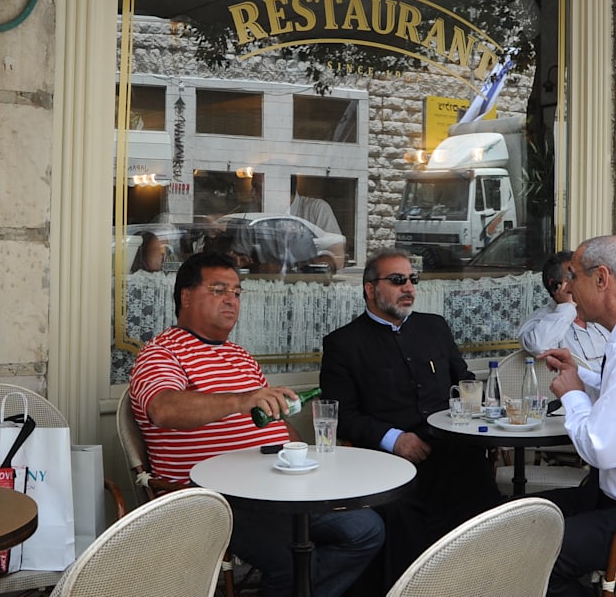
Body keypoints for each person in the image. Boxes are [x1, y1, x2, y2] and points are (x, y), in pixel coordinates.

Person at [128, 252, 383, 597]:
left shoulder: (240, 356)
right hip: (212, 498)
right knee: (291, 560)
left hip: (272, 485)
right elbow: (163, 408)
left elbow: (276, 424)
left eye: (236, 292)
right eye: (218, 290)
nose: (231, 300)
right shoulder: (161, 353)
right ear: (185, 296)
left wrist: (305, 454)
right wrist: (240, 399)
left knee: (365, 529)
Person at [319, 248, 499, 587]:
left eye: (412, 280)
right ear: (370, 289)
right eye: (397, 280)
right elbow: (340, 415)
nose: (409, 288)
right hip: (388, 463)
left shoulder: (435, 327)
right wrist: (394, 439)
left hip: (451, 451)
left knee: (483, 499)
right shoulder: (344, 344)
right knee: (402, 518)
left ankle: (480, 586)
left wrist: (477, 403)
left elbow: (463, 382)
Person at [531, 236, 616, 596]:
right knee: (519, 516)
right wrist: (583, 375)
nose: (568, 289)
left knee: (532, 554)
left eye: (572, 276)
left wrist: (573, 395)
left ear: (601, 279)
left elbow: (603, 449)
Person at [519, 250, 605, 388]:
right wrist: (567, 307)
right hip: (572, 400)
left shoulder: (598, 315)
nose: (583, 282)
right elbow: (539, 346)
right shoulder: (540, 320)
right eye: (574, 276)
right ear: (555, 285)